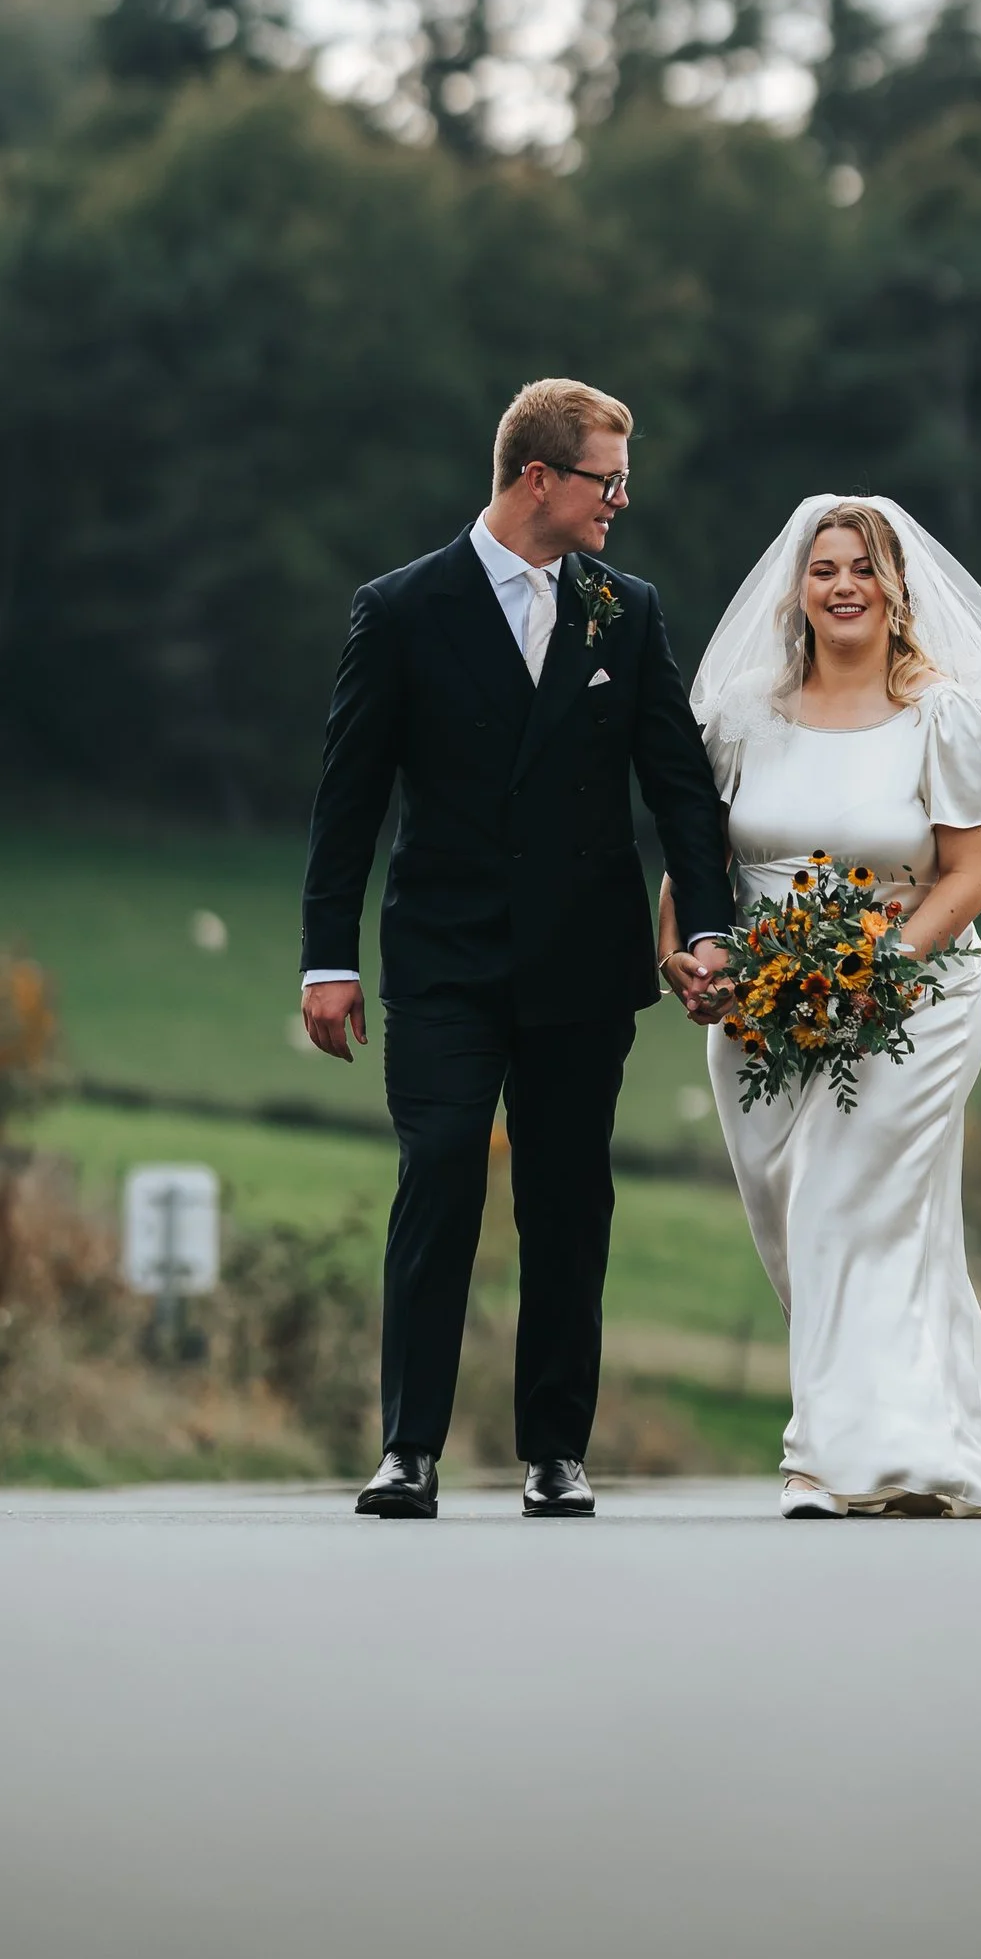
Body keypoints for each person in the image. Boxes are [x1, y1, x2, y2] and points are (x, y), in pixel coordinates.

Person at [299, 378, 729, 1520]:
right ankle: (409, 1447)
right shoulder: (398, 610)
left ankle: (555, 1450)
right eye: (606, 479)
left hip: (582, 964)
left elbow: (678, 785)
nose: (620, 501)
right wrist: (325, 958)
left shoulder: (624, 611)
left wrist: (715, 926)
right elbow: (347, 803)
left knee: (566, 1197)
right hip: (442, 956)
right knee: (438, 1169)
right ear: (537, 477)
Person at [672, 495, 981, 1518]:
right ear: (797, 592)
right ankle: (913, 1439)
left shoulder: (943, 715)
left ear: (897, 590)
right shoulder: (743, 718)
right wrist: (685, 957)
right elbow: (696, 859)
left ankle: (826, 1462)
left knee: (842, 1206)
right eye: (824, 569)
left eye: (863, 568)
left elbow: (969, 876)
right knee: (800, 1225)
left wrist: (872, 972)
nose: (842, 585)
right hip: (762, 1007)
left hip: (912, 1005)